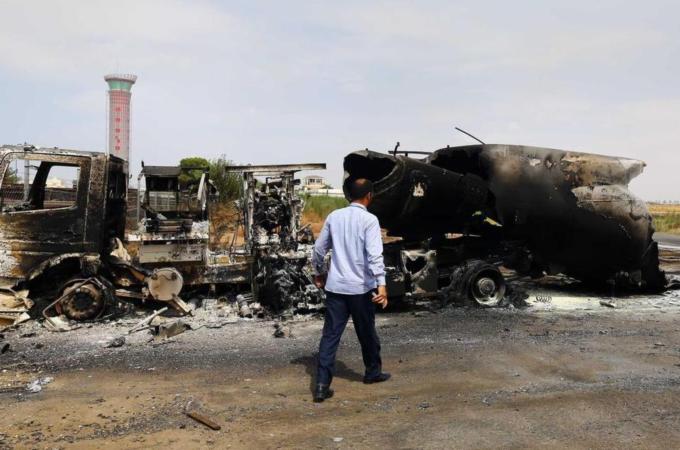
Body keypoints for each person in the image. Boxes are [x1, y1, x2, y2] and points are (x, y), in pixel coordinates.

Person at [311, 178, 391, 403]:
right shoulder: (370, 220)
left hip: (336, 287)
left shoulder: (334, 217)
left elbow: (319, 249)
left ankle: (320, 385)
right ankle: (372, 373)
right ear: (369, 196)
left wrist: (319, 272)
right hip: (360, 289)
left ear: (349, 196)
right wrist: (381, 284)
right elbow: (375, 255)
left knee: (330, 336)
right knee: (366, 332)